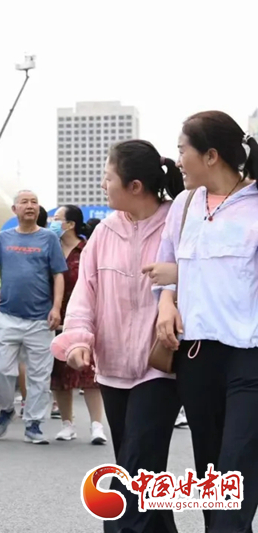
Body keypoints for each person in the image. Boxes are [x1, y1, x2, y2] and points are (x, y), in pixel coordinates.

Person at [52, 139, 186, 532]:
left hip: (158, 364)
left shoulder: (176, 224)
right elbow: (86, 292)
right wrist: (79, 340)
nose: (103, 184)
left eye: (108, 177)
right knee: (140, 466)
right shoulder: (105, 232)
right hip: (112, 367)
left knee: (135, 464)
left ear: (135, 186)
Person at [152, 111, 258, 532]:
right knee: (212, 475)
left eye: (183, 150)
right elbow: (164, 267)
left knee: (238, 465)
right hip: (196, 356)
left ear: (211, 155)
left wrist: (181, 274)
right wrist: (166, 303)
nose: (177, 160)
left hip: (249, 357)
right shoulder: (183, 205)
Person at [0, 190, 67, 445]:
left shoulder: (49, 238)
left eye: (34, 202)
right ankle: (6, 409)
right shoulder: (4, 238)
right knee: (0, 370)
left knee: (39, 376)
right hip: (8, 317)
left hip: (41, 320)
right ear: (15, 209)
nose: (30, 206)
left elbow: (58, 275)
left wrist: (56, 308)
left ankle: (34, 424)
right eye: (24, 202)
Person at [47, 205, 107, 445]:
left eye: (57, 219)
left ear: (71, 224)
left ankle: (97, 425)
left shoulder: (88, 249)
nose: (52, 222)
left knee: (89, 371)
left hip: (85, 315)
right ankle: (67, 424)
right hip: (56, 316)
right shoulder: (50, 248)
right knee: (59, 371)